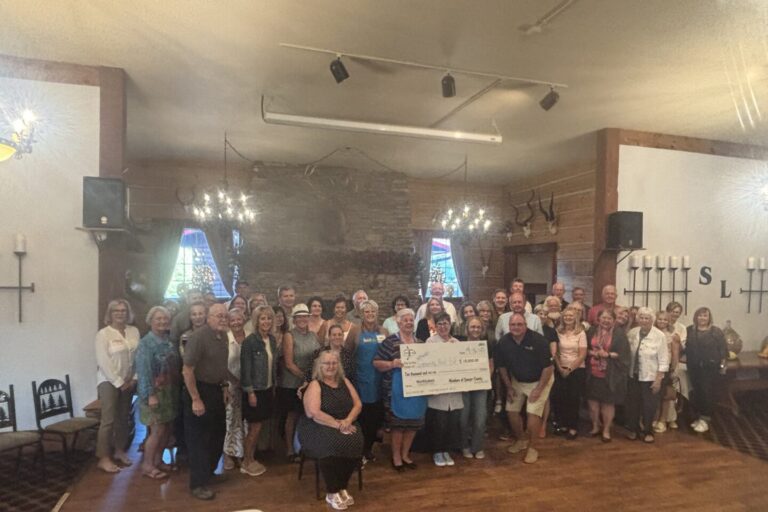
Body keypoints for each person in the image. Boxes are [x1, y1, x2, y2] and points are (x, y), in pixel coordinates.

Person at [298, 350, 363, 510]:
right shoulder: (315, 384)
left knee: (356, 441)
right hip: (317, 425)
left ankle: (342, 486)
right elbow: (314, 413)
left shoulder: (345, 381)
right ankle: (332, 491)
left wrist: (347, 421)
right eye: (326, 363)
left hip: (344, 422)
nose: (331, 366)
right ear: (319, 366)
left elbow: (358, 404)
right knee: (331, 445)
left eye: (334, 363)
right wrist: (339, 425)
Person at [182, 303, 234, 501]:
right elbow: (187, 370)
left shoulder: (222, 337)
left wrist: (226, 386)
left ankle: (209, 473)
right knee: (199, 440)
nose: (222, 319)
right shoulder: (198, 337)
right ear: (209, 317)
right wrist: (196, 399)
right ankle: (198, 484)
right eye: (218, 316)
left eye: (225, 316)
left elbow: (220, 367)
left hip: (215, 390)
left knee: (217, 434)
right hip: (198, 391)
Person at [494, 313, 554, 464]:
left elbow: (548, 368)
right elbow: (501, 367)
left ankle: (533, 448)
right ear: (509, 326)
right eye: (513, 325)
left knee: (532, 414)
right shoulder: (504, 342)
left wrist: (539, 390)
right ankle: (521, 440)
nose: (516, 327)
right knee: (511, 411)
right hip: (517, 381)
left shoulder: (539, 341)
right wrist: (508, 387)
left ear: (526, 325)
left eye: (519, 324)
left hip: (540, 380)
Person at [374, 308, 426, 472]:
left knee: (412, 425)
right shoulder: (389, 342)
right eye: (405, 320)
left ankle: (405, 455)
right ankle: (396, 457)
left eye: (411, 320)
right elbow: (376, 363)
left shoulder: (420, 343)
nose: (409, 323)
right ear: (398, 322)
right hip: (395, 391)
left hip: (416, 391)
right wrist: (391, 364)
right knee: (398, 426)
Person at [136, 306, 180, 480]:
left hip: (169, 392)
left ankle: (158, 460)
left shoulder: (168, 341)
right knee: (157, 430)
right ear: (150, 321)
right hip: (154, 393)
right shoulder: (146, 343)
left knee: (167, 429)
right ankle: (147, 465)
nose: (162, 321)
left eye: (165, 318)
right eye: (158, 319)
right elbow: (144, 372)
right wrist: (150, 395)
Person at [95, 299, 139, 473]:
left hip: (128, 381)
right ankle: (103, 457)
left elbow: (137, 356)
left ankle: (119, 450)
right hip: (109, 381)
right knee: (109, 420)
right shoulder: (103, 334)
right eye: (116, 311)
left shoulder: (133, 331)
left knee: (123, 418)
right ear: (110, 313)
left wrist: (134, 378)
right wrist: (119, 382)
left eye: (123, 310)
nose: (120, 313)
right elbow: (103, 362)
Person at [278, 304, 320, 462]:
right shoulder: (289, 336)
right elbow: (288, 363)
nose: (302, 319)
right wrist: (306, 378)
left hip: (310, 383)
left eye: (305, 316)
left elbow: (319, 357)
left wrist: (313, 378)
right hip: (292, 383)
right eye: (299, 317)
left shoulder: (314, 335)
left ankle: (305, 447)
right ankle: (290, 450)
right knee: (292, 416)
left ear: (309, 318)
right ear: (294, 319)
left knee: (308, 415)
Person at [240, 305, 278, 477]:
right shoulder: (249, 342)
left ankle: (251, 457)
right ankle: (247, 461)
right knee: (254, 429)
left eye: (269, 318)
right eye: (263, 318)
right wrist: (250, 393)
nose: (266, 322)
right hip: (255, 391)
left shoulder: (271, 339)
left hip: (268, 388)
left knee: (259, 427)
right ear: (256, 321)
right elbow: (245, 370)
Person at [626, 307, 669, 443]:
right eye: (641, 317)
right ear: (637, 319)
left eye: (647, 318)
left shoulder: (659, 335)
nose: (644, 320)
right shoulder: (633, 333)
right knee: (633, 405)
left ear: (652, 320)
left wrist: (658, 379)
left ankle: (647, 431)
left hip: (650, 377)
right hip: (633, 375)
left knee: (649, 406)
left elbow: (663, 359)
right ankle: (633, 429)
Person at [585, 309, 630, 442]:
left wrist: (608, 355)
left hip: (610, 374)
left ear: (614, 320)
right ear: (598, 319)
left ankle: (606, 430)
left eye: (609, 318)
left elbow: (624, 355)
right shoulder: (591, 331)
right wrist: (592, 353)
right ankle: (595, 426)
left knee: (607, 403)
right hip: (591, 372)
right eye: (603, 318)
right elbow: (583, 348)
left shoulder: (619, 334)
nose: (606, 321)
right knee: (592, 402)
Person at [426, 312, 464, 467]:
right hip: (438, 392)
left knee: (451, 424)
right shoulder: (430, 342)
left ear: (450, 325)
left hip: (454, 392)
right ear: (435, 326)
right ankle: (437, 451)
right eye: (440, 323)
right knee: (439, 424)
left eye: (446, 323)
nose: (443, 326)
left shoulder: (457, 342)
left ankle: (446, 450)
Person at [352, 300, 387, 463]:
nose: (370, 315)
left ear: (377, 313)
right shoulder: (355, 331)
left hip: (379, 380)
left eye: (373, 312)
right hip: (361, 379)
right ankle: (360, 448)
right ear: (361, 314)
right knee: (362, 415)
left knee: (376, 416)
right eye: (367, 312)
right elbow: (347, 352)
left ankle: (369, 447)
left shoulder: (384, 331)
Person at [686, 306, 728, 434]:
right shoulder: (689, 330)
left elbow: (723, 351)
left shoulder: (716, 332)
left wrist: (722, 366)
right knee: (697, 392)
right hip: (694, 367)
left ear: (709, 317)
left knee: (707, 392)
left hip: (710, 368)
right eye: (700, 315)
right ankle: (699, 417)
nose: (702, 318)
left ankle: (706, 419)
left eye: (705, 315)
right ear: (695, 317)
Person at [551, 306, 587, 440]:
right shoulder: (558, 331)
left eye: (571, 316)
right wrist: (560, 368)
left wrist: (570, 369)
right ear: (562, 317)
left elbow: (582, 355)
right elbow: (555, 352)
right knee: (561, 398)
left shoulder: (581, 333)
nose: (568, 318)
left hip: (576, 370)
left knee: (573, 399)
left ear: (576, 317)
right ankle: (564, 424)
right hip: (560, 368)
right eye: (566, 316)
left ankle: (573, 427)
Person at [460, 317, 493, 459]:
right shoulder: (458, 343)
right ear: (467, 328)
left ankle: (477, 446)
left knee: (480, 418)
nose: (475, 330)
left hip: (480, 386)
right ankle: (464, 446)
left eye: (478, 327)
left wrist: (484, 379)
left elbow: (491, 365)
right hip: (463, 386)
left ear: (482, 329)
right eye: (473, 327)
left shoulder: (487, 345)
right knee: (463, 418)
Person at [222, 308, 247, 471]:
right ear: (228, 322)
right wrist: (232, 381)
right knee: (229, 420)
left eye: (239, 319)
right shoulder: (225, 338)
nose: (236, 323)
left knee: (242, 420)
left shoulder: (249, 336)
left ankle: (239, 452)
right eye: (233, 320)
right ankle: (226, 455)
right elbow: (220, 364)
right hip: (229, 384)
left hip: (245, 385)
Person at [653, 310, 681, 433]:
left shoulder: (672, 335)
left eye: (665, 319)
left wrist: (673, 369)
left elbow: (675, 354)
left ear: (668, 321)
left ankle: (663, 420)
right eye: (660, 319)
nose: (662, 321)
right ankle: (654, 417)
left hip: (666, 368)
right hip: (653, 368)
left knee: (665, 396)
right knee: (655, 395)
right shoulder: (652, 332)